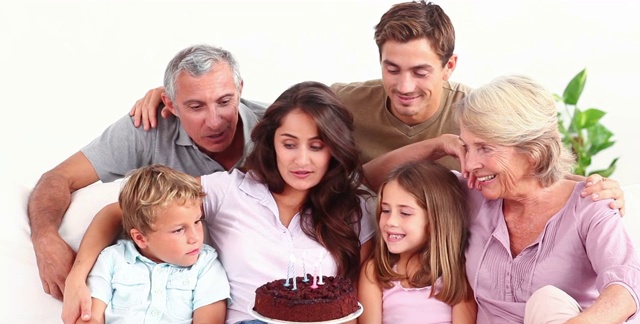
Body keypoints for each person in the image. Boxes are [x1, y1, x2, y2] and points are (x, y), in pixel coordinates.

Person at [129, 1, 625, 211]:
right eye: (392, 68)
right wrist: (169, 98)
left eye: (420, 71)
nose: (403, 85)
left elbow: (534, 169)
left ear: (450, 66)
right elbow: (275, 116)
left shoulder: (478, 114)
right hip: (368, 245)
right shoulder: (346, 99)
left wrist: (596, 186)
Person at [64, 81, 377, 324]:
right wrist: (77, 279)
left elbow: (353, 318)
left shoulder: (354, 209)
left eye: (317, 146)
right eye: (289, 144)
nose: (301, 160)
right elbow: (119, 211)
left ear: (334, 149)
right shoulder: (229, 189)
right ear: (272, 143)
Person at [365, 75, 640, 324]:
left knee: (546, 302)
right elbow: (369, 180)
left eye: (484, 148)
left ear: (532, 152)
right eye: (467, 147)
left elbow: (626, 286)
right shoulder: (470, 193)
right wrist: (439, 145)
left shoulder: (590, 204)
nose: (470, 163)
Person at [27, 44, 266, 302]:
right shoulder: (148, 125)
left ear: (240, 89)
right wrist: (45, 238)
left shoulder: (282, 129)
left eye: (224, 101)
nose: (215, 121)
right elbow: (57, 178)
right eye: (196, 107)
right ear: (170, 104)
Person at [63, 164, 229, 324]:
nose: (194, 237)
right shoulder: (112, 259)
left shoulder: (205, 264)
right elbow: (86, 321)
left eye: (197, 222)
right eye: (178, 230)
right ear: (141, 238)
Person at [358, 160, 477, 324]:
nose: (391, 222)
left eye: (405, 213)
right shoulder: (375, 271)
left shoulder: (456, 271)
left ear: (436, 219)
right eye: (386, 210)